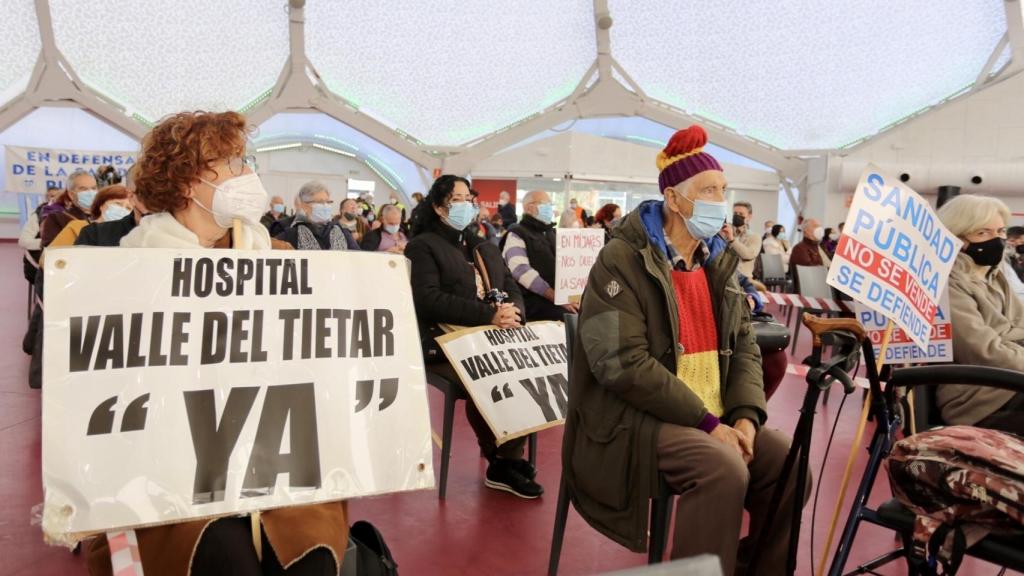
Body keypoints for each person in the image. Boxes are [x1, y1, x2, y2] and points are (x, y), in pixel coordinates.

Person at [86, 111, 346, 576]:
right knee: (223, 554)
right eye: (231, 164)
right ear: (188, 181)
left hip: (275, 450)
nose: (247, 175)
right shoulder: (127, 271)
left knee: (311, 558)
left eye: (244, 161)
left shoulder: (279, 258)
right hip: (172, 463)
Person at [565, 125, 806, 574]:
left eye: (723, 189)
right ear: (674, 200)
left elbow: (745, 346)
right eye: (709, 190)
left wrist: (745, 417)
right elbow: (620, 363)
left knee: (790, 463)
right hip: (634, 419)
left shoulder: (718, 261)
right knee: (723, 468)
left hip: (710, 412)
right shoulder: (621, 259)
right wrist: (708, 423)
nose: (721, 200)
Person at [404, 175, 542, 499]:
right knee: (492, 376)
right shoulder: (423, 246)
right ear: (439, 208)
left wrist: (513, 312)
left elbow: (510, 285)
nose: (466, 205)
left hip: (491, 335)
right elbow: (427, 299)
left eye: (469, 198)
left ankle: (508, 456)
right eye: (457, 199)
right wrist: (487, 315)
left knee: (528, 369)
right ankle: (502, 461)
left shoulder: (483, 245)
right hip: (443, 342)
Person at [936, 195, 1024, 436]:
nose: (997, 240)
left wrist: (1010, 343)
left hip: (1012, 383)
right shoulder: (948, 284)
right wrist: (1011, 343)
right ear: (956, 237)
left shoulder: (993, 275)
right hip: (978, 399)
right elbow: (983, 351)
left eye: (1001, 231)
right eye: (983, 233)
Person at [500, 190, 577, 322]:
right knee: (570, 318)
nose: (549, 208)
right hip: (532, 301)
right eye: (545, 204)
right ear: (529, 207)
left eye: (550, 204)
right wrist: (554, 296)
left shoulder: (551, 233)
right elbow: (520, 270)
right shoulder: (516, 234)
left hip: (558, 298)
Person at [276, 181, 358, 251]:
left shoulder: (342, 231)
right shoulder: (291, 234)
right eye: (320, 202)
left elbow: (358, 257)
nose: (325, 206)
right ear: (304, 206)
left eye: (328, 202)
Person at [49, 185, 132, 248]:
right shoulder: (77, 227)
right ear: (101, 205)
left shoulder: (129, 235)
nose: (122, 209)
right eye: (118, 204)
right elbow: (52, 256)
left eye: (128, 208)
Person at [39, 169, 97, 248]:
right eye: (83, 189)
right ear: (71, 194)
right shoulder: (57, 219)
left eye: (93, 188)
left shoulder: (104, 217)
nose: (90, 192)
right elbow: (51, 251)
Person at [788, 217, 830, 293]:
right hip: (812, 286)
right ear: (806, 231)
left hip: (823, 282)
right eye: (816, 226)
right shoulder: (800, 248)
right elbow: (810, 272)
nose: (820, 229)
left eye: (820, 226)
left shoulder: (820, 246)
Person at [730, 201, 761, 278]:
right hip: (725, 276)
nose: (737, 216)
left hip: (743, 277)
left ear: (749, 217)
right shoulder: (725, 231)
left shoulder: (755, 237)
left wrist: (732, 240)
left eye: (741, 214)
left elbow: (748, 255)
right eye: (735, 213)